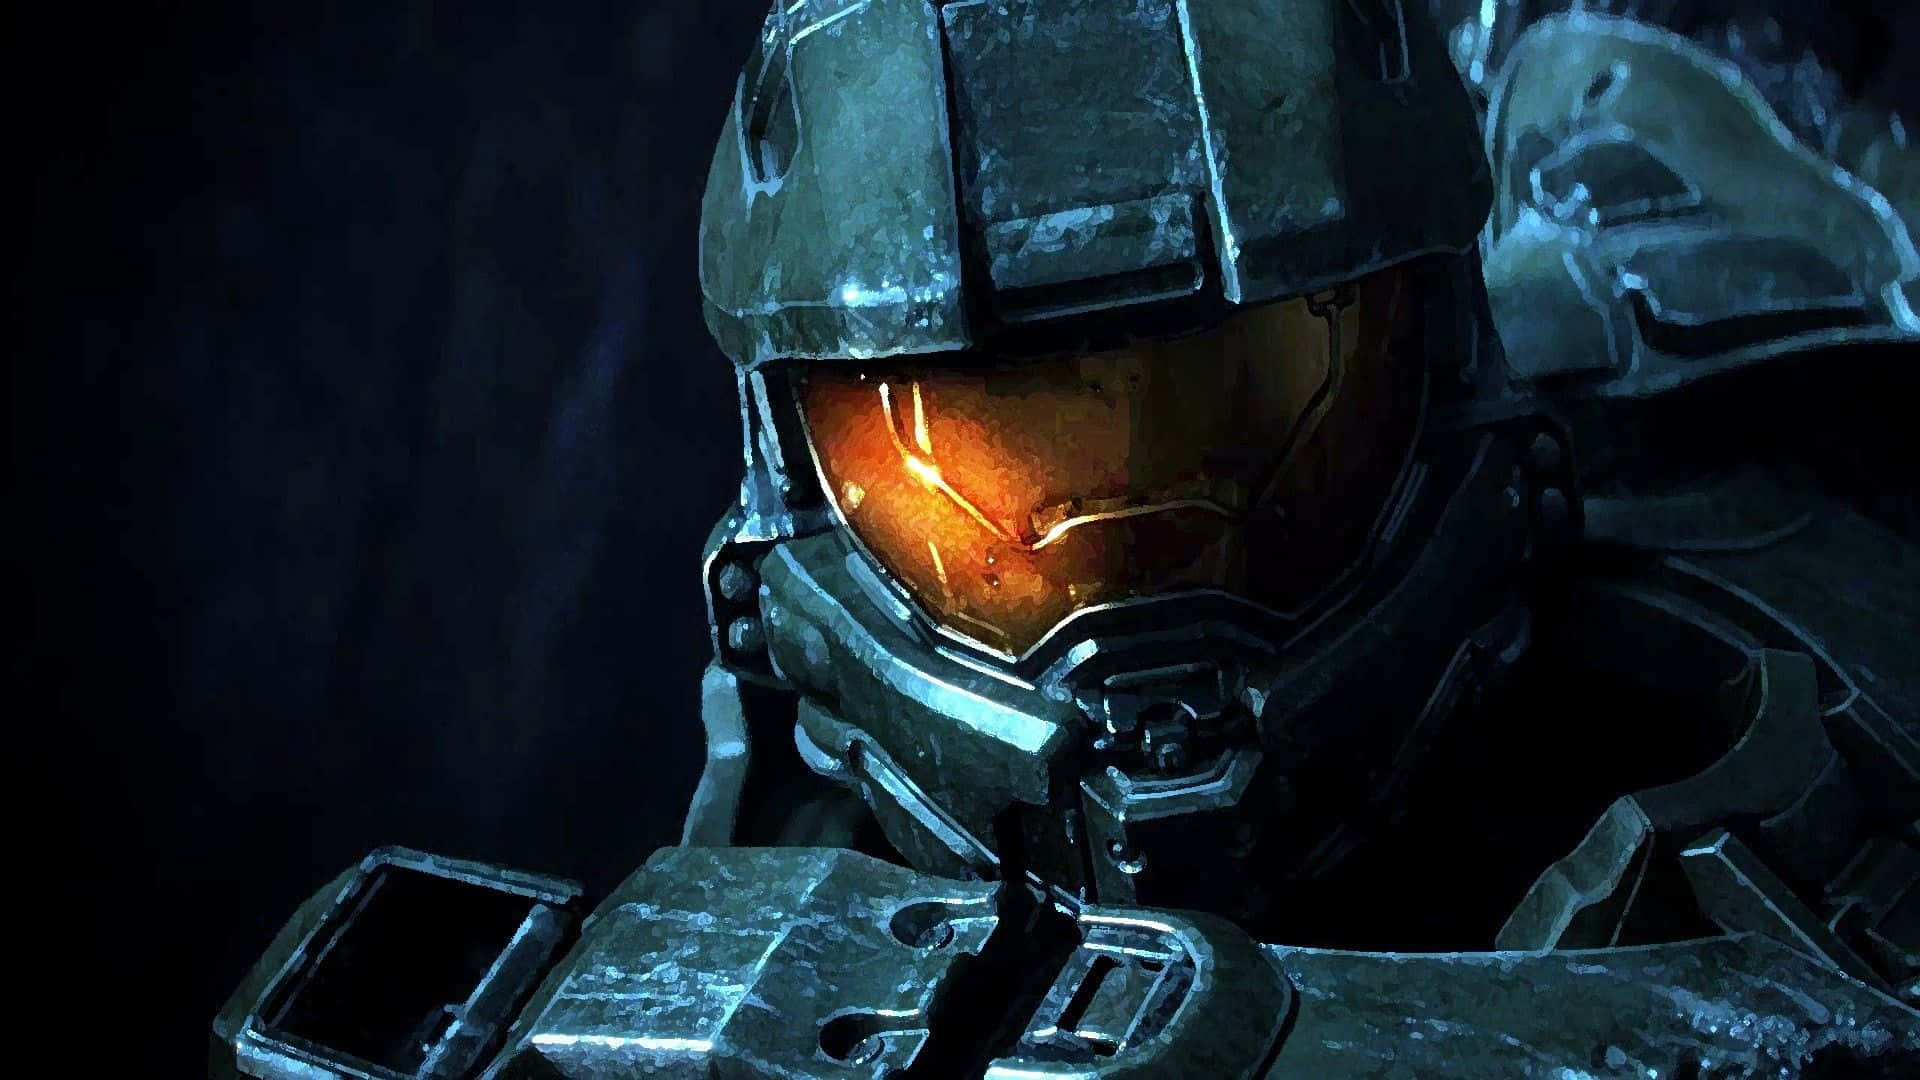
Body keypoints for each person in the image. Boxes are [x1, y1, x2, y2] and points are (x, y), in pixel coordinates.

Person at [213, 3, 1918, 1077]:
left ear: (1456, 383)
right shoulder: (768, 823)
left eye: (1246, 421)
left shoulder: (1762, 610)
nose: (1127, 579)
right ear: (792, 508)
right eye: (991, 480)